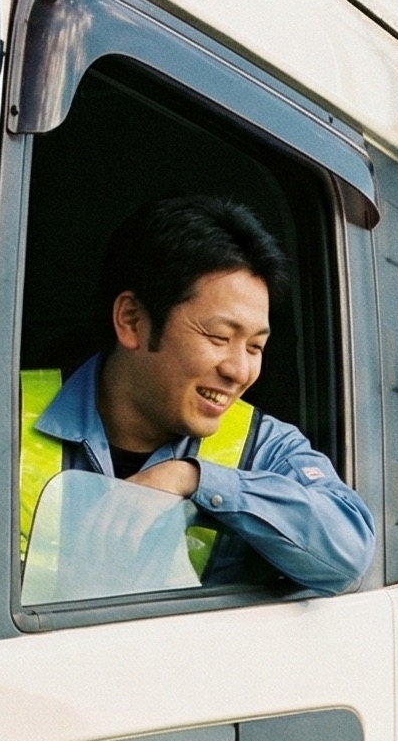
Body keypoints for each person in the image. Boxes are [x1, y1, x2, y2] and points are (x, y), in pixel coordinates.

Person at [19, 194, 373, 592]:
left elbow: (350, 552)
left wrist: (195, 480)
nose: (239, 371)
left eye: (255, 347)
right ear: (132, 320)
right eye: (219, 337)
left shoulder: (261, 446)